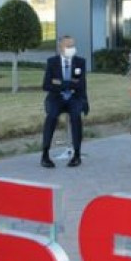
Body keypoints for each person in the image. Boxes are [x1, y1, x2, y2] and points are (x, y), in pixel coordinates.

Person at [40, 35, 88, 168]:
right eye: (68, 46)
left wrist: (59, 82)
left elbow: (81, 85)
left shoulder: (80, 62)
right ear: (60, 47)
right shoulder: (52, 62)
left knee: (75, 116)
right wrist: (68, 83)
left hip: (74, 97)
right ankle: (45, 154)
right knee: (51, 116)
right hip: (56, 98)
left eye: (73, 45)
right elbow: (46, 85)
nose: (71, 48)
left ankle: (77, 154)